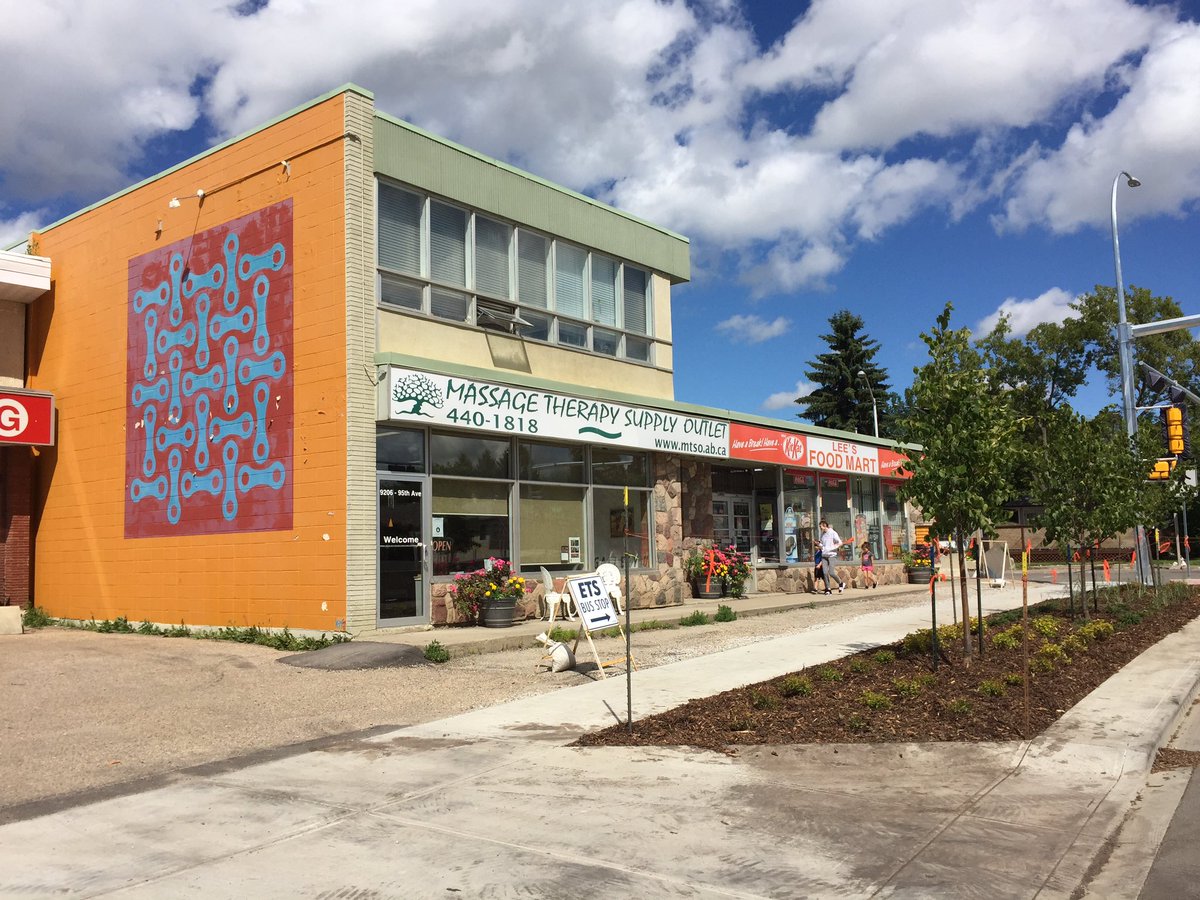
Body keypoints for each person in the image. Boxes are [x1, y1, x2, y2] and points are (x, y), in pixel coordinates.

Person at [817, 519, 846, 594]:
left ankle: (840, 583)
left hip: (832, 555)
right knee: (825, 572)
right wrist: (819, 545)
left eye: (821, 526)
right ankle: (828, 589)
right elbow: (822, 545)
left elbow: (840, 543)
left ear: (824, 525)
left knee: (831, 572)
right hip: (824, 555)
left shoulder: (832, 533)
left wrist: (831, 548)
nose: (820, 528)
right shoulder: (822, 534)